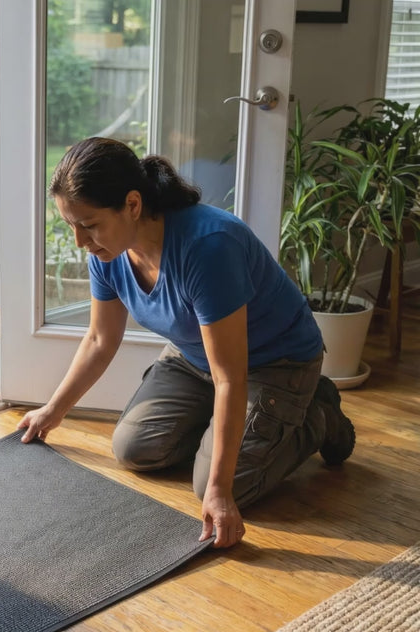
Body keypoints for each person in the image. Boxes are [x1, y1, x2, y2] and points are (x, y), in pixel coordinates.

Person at [17, 137, 355, 549]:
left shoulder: (208, 246)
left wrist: (219, 490)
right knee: (134, 449)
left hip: (275, 363)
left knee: (226, 484)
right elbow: (100, 339)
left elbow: (230, 377)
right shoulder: (106, 252)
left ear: (133, 204)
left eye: (88, 225)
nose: (79, 241)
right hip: (193, 356)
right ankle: (238, 427)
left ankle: (317, 415)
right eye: (70, 225)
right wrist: (52, 412)